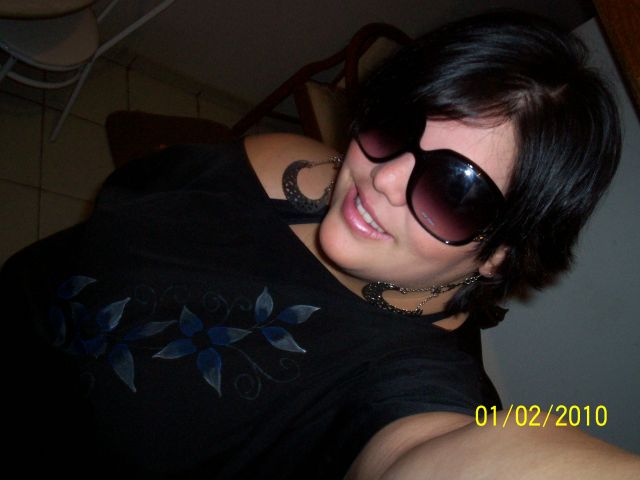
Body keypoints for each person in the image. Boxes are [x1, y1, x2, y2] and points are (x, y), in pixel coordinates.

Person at [2, 10, 639, 479]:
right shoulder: (288, 161)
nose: (381, 177)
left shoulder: (412, 382)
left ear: (502, 253)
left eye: (454, 189)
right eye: (397, 124)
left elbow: (428, 456)